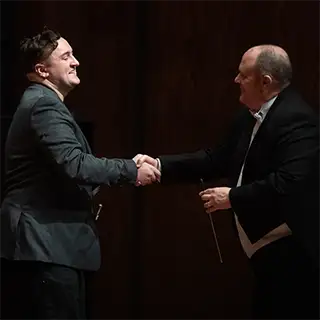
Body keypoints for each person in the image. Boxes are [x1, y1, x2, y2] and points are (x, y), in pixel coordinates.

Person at [135, 45, 320, 319]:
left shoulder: (298, 119)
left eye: (242, 75)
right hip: (266, 254)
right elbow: (216, 159)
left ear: (265, 81)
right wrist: (161, 165)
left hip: (292, 253)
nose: (236, 80)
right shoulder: (249, 116)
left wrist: (232, 198)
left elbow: (288, 183)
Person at [0, 27, 160, 320]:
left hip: (51, 242)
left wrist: (128, 165)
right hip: (45, 243)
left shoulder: (43, 104)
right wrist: (131, 170)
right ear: (42, 70)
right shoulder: (43, 106)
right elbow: (76, 164)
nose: (76, 62)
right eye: (66, 56)